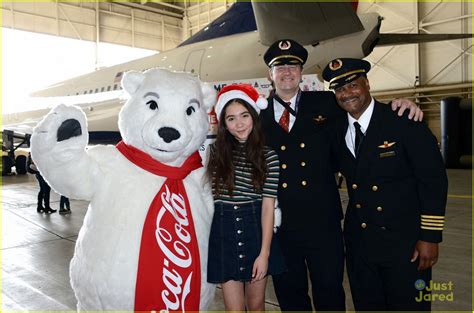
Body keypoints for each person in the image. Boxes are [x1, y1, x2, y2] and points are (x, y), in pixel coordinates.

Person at [260, 39, 423, 311]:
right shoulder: (257, 114)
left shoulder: (327, 103)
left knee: (330, 291)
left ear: (302, 72)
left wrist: (400, 106)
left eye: (293, 65)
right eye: (280, 66)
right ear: (270, 74)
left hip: (323, 223)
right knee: (290, 294)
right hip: (280, 225)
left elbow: (363, 107)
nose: (287, 71)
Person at [322, 57, 448, 311]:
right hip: (361, 247)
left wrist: (430, 237)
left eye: (353, 85)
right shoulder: (335, 131)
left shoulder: (403, 121)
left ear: (367, 84)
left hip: (405, 245)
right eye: (339, 88)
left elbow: (433, 180)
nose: (347, 94)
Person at [206, 84, 286, 311]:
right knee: (234, 309)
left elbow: (268, 208)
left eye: (244, 116)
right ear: (224, 123)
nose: (239, 124)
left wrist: (264, 254)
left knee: (256, 304)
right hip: (223, 233)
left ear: (253, 116)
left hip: (255, 231)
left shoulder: (268, 156)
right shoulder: (213, 155)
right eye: (231, 119)